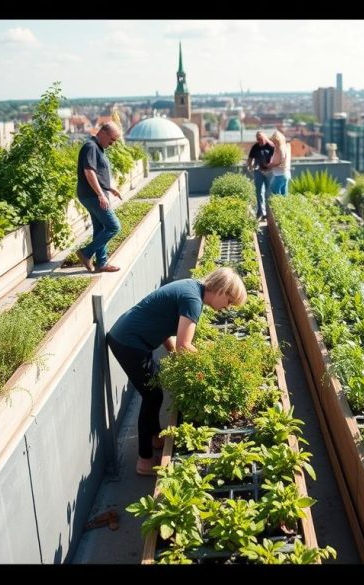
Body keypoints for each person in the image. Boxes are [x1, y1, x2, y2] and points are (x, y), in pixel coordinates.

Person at [106, 267, 248, 475]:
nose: (226, 308)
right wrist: (211, 367)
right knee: (152, 397)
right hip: (129, 342)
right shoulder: (193, 301)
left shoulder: (191, 287)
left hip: (128, 336)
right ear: (221, 290)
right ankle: (144, 462)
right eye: (229, 302)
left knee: (154, 392)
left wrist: (172, 351)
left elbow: (161, 321)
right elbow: (185, 345)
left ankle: (155, 438)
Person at [76, 121, 124, 273]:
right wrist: (101, 194)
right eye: (112, 140)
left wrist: (109, 188)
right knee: (114, 226)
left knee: (101, 228)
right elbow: (89, 172)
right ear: (103, 133)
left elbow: (97, 173)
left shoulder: (98, 148)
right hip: (92, 196)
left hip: (93, 195)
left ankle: (101, 263)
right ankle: (85, 253)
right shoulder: (90, 146)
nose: (112, 143)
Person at [246, 131, 275, 219]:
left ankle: (269, 213)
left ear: (265, 138)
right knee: (259, 192)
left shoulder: (271, 146)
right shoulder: (255, 147)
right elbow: (250, 158)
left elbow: (276, 158)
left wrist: (270, 167)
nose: (259, 141)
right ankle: (261, 213)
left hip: (269, 171)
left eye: (261, 139)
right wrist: (250, 166)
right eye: (258, 139)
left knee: (268, 192)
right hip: (258, 171)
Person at [263, 130, 291, 197]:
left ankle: (278, 207)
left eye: (274, 141)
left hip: (280, 175)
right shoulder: (285, 147)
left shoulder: (279, 149)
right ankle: (284, 207)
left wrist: (267, 166)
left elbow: (277, 163)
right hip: (285, 174)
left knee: (275, 193)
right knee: (284, 195)